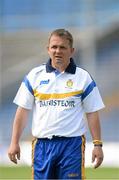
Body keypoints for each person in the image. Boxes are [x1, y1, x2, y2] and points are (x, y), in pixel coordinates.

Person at [8, 28, 105, 180]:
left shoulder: (83, 77)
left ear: (71, 51)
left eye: (62, 47)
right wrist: (14, 142)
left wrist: (97, 145)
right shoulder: (35, 76)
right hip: (42, 146)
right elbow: (22, 111)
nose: (57, 51)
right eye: (54, 47)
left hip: (72, 146)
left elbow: (92, 112)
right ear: (48, 49)